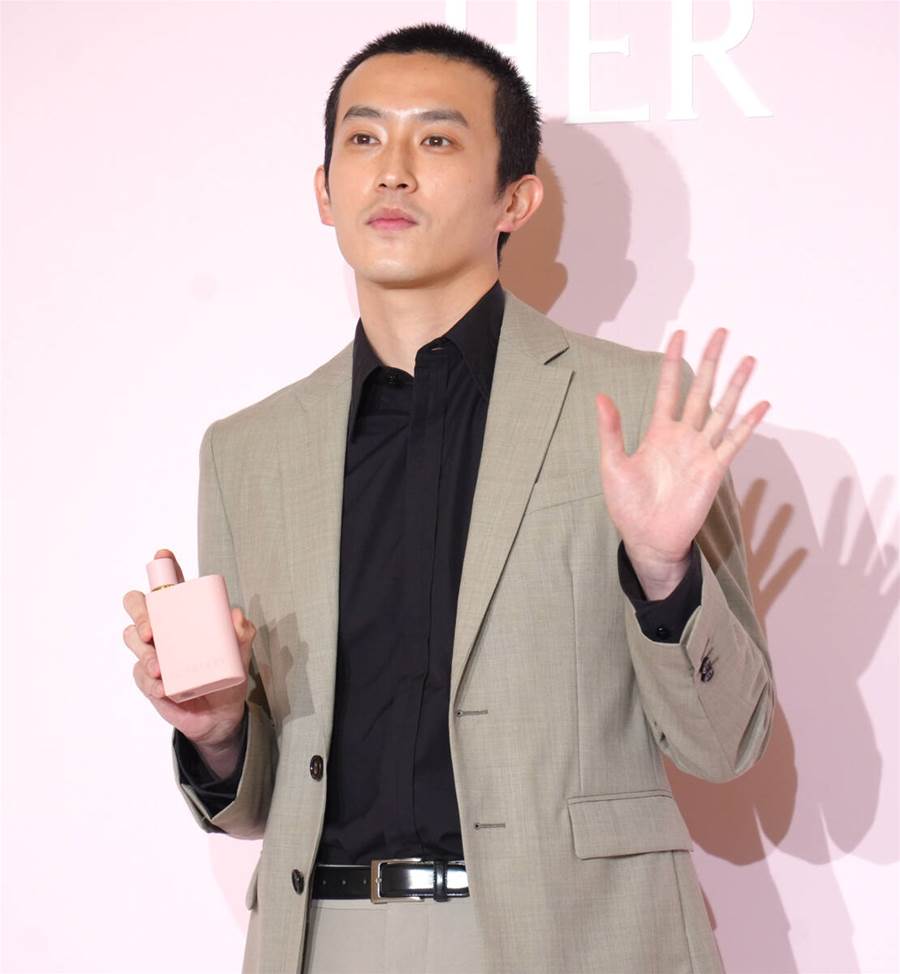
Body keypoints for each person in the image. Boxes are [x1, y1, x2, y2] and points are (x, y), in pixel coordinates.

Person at [122, 21, 775, 974]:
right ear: (324, 191)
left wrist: (665, 574)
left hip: (577, 938)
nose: (392, 172)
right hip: (322, 939)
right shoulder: (249, 452)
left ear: (516, 198)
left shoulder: (639, 410)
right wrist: (218, 734)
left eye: (435, 139)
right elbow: (258, 803)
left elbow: (727, 746)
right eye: (363, 138)